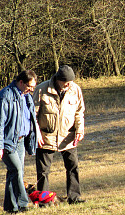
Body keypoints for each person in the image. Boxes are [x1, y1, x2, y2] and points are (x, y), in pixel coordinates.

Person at [33, 65, 86, 204]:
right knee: (43, 172)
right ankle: (44, 201)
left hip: (68, 137)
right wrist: (37, 134)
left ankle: (74, 197)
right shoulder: (41, 90)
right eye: (66, 82)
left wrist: (80, 129)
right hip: (45, 138)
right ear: (58, 80)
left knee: (73, 167)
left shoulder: (75, 89)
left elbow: (79, 112)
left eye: (71, 82)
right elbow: (33, 115)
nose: (69, 85)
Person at [0, 70, 38, 213]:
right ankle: (23, 204)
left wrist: (35, 137)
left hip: (21, 141)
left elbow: (30, 119)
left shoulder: (26, 96)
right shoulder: (5, 96)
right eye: (30, 86)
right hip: (7, 142)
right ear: (21, 82)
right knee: (17, 170)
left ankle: (11, 207)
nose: (32, 89)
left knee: (14, 173)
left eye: (34, 87)